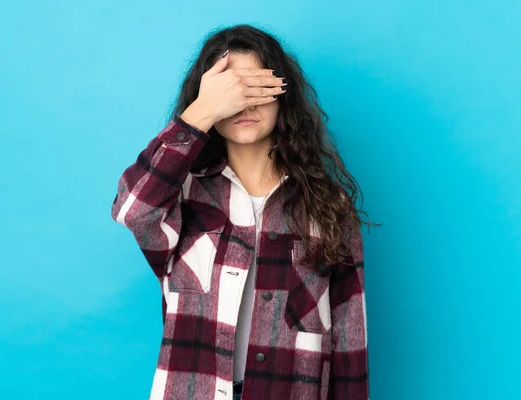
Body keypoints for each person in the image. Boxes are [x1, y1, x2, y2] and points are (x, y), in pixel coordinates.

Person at [111, 24, 373, 400]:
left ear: (282, 95)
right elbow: (133, 211)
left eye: (256, 88)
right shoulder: (180, 197)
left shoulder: (329, 207)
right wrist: (200, 111)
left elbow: (350, 344)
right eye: (231, 92)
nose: (245, 104)